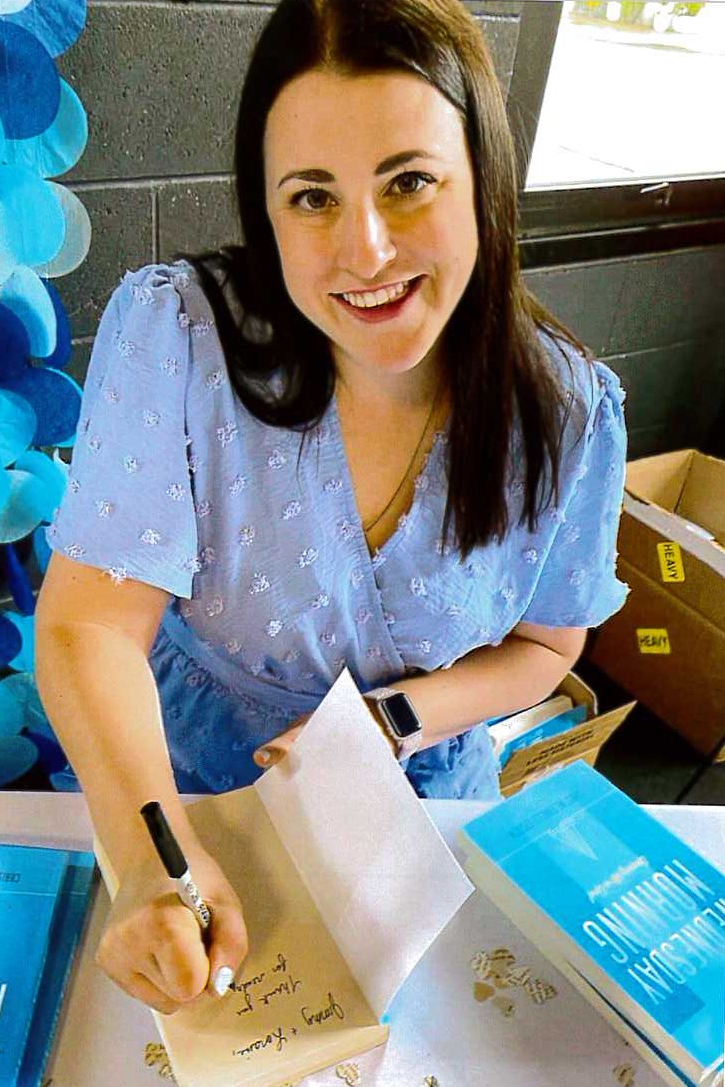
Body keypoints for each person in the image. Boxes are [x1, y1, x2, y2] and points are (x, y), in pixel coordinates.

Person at [35, 0, 628, 1019]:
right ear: (266, 211)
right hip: (176, 786)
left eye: (409, 183)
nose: (365, 250)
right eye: (312, 198)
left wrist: (390, 720)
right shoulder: (177, 337)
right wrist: (151, 862)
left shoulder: (568, 411)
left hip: (416, 811)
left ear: (481, 178)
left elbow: (547, 647)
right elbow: (93, 625)